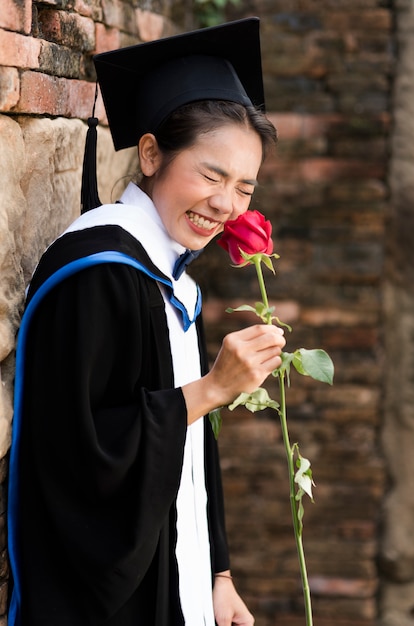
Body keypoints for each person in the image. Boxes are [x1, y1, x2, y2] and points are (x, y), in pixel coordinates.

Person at [7, 17, 286, 626]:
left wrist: (216, 572)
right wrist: (213, 389)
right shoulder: (99, 271)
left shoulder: (170, 276)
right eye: (211, 175)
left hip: (177, 571)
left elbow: (188, 441)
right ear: (152, 153)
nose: (226, 205)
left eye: (245, 187)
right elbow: (80, 451)